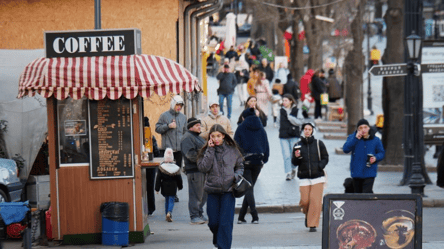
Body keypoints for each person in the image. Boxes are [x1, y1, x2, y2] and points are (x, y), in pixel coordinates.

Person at [197, 124, 244, 249]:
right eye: (213, 136)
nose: (216, 139)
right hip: (212, 191)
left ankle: (223, 246)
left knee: (225, 223)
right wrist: (210, 150)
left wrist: (236, 176)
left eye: (218, 136)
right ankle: (218, 241)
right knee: (213, 223)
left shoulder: (232, 149)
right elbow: (203, 167)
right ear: (210, 137)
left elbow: (240, 166)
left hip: (229, 191)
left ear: (223, 135)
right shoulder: (206, 150)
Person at [234, 108, 270, 224]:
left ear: (244, 117)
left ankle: (255, 216)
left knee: (248, 187)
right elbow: (266, 145)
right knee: (249, 187)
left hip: (245, 161)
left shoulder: (240, 128)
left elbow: (235, 146)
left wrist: (236, 162)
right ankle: (241, 217)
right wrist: (264, 159)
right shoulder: (261, 128)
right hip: (258, 161)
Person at [292, 122, 328, 232]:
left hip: (317, 177)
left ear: (312, 130)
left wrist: (319, 166)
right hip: (304, 177)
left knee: (315, 201)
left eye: (309, 129)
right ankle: (308, 215)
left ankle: (312, 224)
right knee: (305, 201)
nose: (307, 131)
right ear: (303, 131)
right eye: (305, 129)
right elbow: (294, 162)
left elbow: (325, 157)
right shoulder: (298, 145)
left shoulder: (318, 143)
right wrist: (297, 157)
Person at [155, 95, 187, 202]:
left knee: (176, 172)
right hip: (168, 150)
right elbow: (157, 128)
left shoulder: (183, 117)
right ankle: (167, 193)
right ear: (173, 104)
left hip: (179, 150)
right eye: (177, 105)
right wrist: (168, 126)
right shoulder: (164, 116)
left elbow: (185, 132)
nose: (179, 107)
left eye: (181, 105)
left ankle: (174, 194)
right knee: (166, 173)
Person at [342, 119, 386, 193]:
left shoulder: (376, 140)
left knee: (366, 193)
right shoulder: (352, 138)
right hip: (356, 172)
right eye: (361, 128)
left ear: (369, 128)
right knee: (358, 195)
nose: (363, 130)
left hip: (370, 171)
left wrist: (375, 158)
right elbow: (345, 149)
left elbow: (381, 153)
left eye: (365, 127)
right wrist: (355, 139)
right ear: (358, 129)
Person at [181, 118, 208, 224]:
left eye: (199, 125)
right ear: (190, 127)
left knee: (202, 194)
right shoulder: (187, 138)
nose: (199, 127)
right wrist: (204, 156)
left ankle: (200, 213)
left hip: (202, 169)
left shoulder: (197, 137)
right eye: (197, 125)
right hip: (194, 170)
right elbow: (190, 155)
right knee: (195, 194)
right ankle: (194, 216)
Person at [155, 148, 183, 222]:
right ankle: (169, 212)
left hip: (164, 185)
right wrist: (180, 186)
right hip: (173, 186)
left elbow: (158, 178)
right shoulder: (176, 168)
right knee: (171, 200)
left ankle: (166, 214)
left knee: (166, 200)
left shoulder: (161, 167)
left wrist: (157, 188)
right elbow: (179, 178)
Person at [278, 94, 302, 180]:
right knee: (286, 155)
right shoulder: (281, 111)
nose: (284, 102)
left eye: (286, 100)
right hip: (283, 136)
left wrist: (290, 118)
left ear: (291, 101)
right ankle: (288, 173)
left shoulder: (296, 110)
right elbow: (278, 122)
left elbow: (300, 122)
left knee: (294, 154)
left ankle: (293, 169)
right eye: (283, 100)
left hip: (294, 136)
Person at [146, 135, 161, 216]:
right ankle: (150, 208)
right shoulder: (150, 137)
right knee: (150, 187)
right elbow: (156, 152)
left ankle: (144, 207)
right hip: (150, 164)